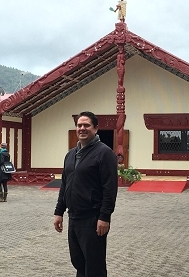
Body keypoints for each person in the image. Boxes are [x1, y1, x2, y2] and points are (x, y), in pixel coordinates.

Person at [54, 111, 118, 277]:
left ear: (96, 128)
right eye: (79, 125)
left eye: (86, 125)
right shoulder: (70, 155)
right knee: (79, 262)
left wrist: (104, 217)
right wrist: (58, 212)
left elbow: (110, 188)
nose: (82, 128)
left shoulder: (104, 153)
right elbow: (65, 184)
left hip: (93, 218)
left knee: (94, 265)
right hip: (74, 217)